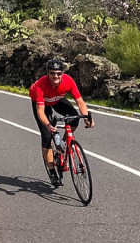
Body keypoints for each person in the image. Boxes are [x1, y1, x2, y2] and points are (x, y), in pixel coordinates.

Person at [29, 57, 94, 187]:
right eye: (52, 73)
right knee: (47, 136)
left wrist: (87, 117)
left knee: (75, 117)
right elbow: (40, 112)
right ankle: (52, 171)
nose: (55, 76)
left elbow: (80, 102)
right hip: (42, 103)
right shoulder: (41, 85)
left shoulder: (68, 81)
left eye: (58, 73)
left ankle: (64, 142)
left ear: (62, 73)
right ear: (48, 73)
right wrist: (48, 124)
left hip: (57, 99)